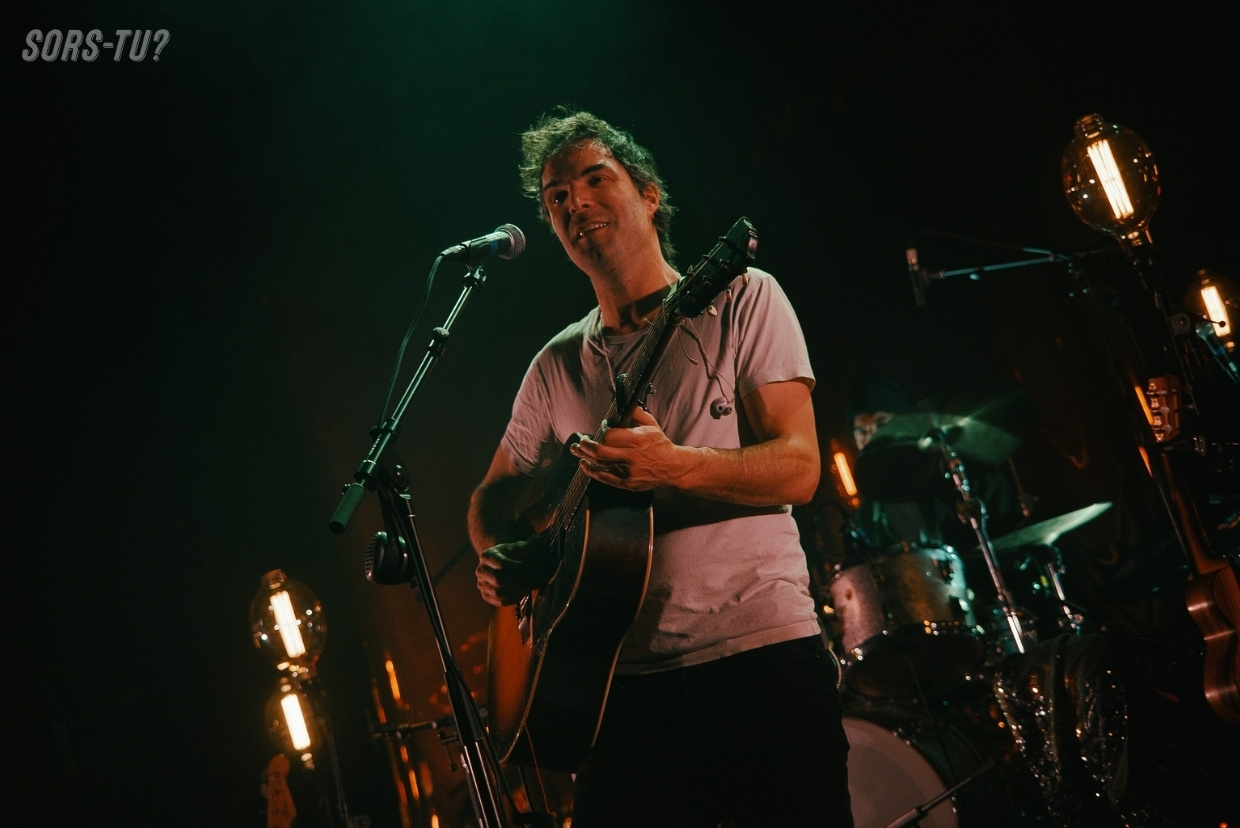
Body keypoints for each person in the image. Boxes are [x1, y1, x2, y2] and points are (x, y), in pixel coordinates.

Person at [468, 108, 853, 827]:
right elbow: (493, 495)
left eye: (595, 179)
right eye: (557, 197)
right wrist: (506, 557)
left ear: (649, 194)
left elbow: (800, 469)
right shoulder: (556, 365)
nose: (575, 203)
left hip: (760, 660)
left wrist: (675, 466)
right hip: (617, 691)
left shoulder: (743, 297)